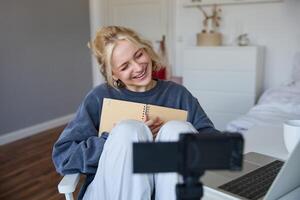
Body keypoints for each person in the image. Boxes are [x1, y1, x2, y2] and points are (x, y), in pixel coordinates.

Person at [52, 26, 217, 200]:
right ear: (113, 74)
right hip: (112, 191)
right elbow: (63, 156)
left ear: (146, 50)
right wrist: (112, 141)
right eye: (124, 66)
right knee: (128, 131)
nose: (138, 67)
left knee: (178, 131)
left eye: (138, 55)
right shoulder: (99, 97)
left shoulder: (178, 94)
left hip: (168, 191)